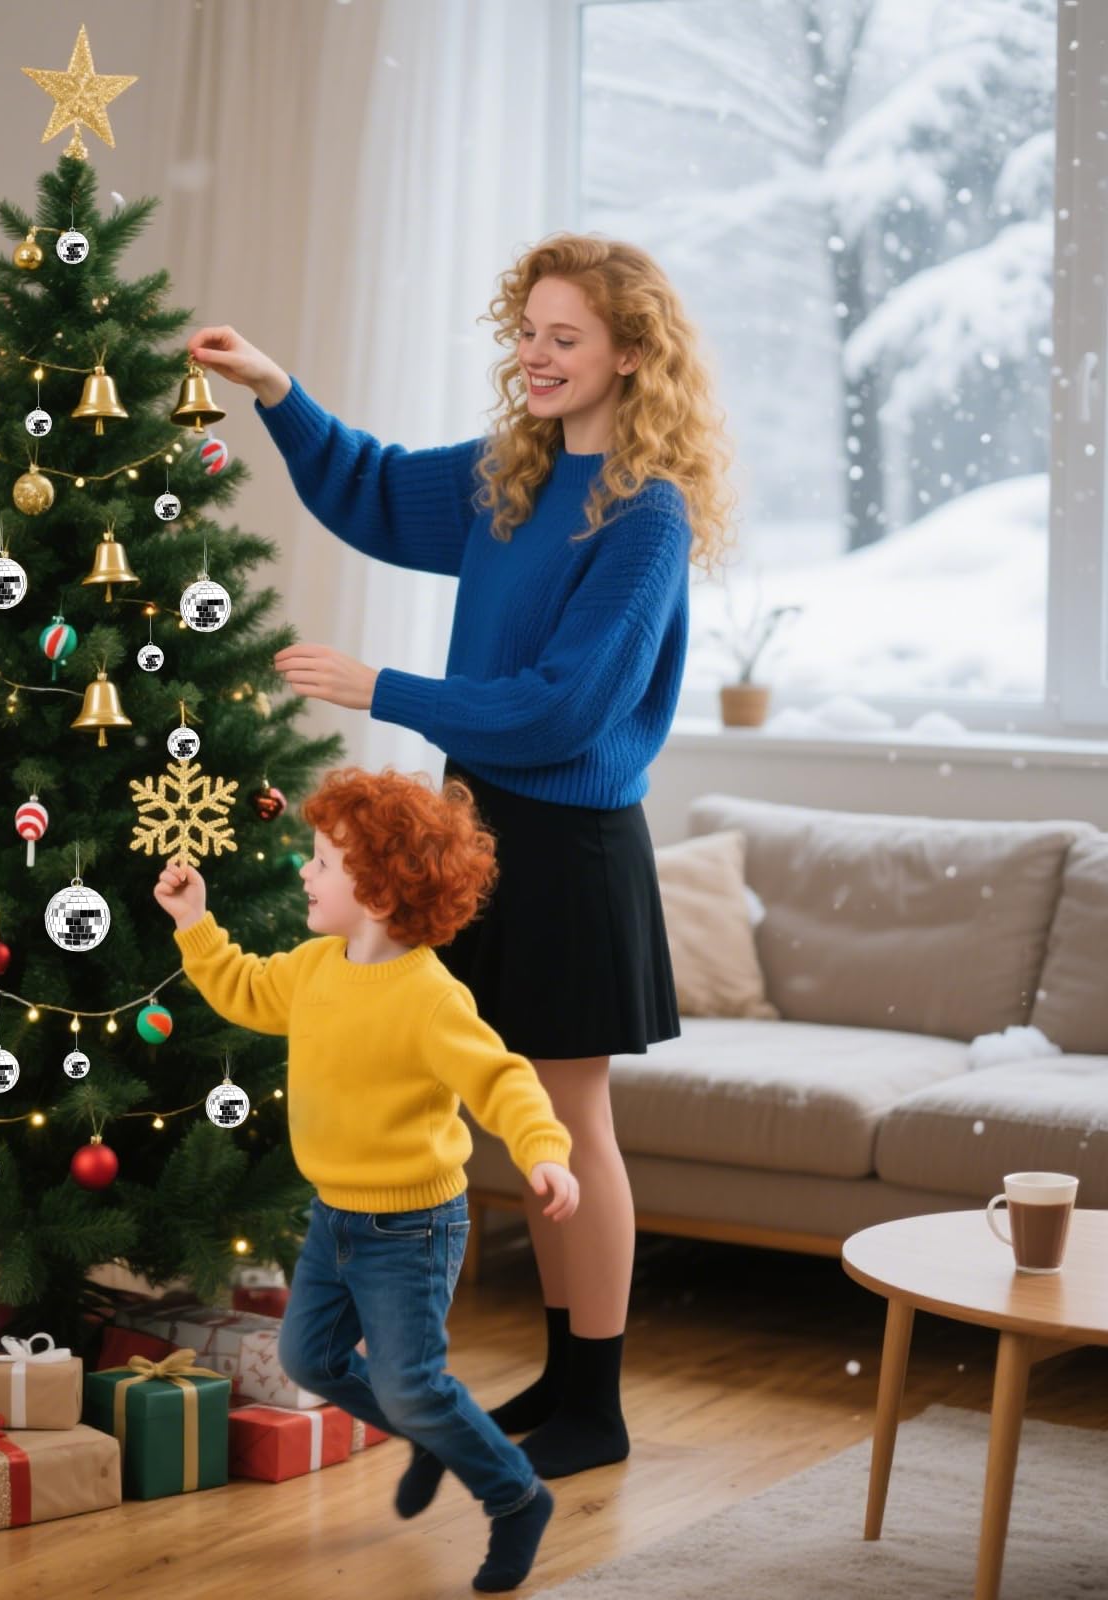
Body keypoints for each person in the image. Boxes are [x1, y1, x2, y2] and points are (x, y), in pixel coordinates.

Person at [185, 233, 734, 1483]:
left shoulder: (643, 516)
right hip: (476, 830)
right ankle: (561, 1376)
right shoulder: (511, 473)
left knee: (565, 1118)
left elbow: (562, 710)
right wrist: (278, 390)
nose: (535, 359)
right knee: (483, 1104)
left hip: (572, 845)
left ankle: (595, 1401)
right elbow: (369, 489)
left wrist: (382, 685)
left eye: (565, 338)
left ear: (630, 356)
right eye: (526, 334)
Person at [154, 766, 580, 1594]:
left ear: (380, 890)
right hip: (335, 1216)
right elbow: (242, 987)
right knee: (309, 1357)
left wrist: (544, 1150)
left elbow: (503, 1079)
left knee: (413, 1384)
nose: (305, 873)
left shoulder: (428, 998)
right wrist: (195, 924)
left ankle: (516, 1496)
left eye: (323, 861)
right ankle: (433, 1433)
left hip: (413, 1229)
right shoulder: (316, 967)